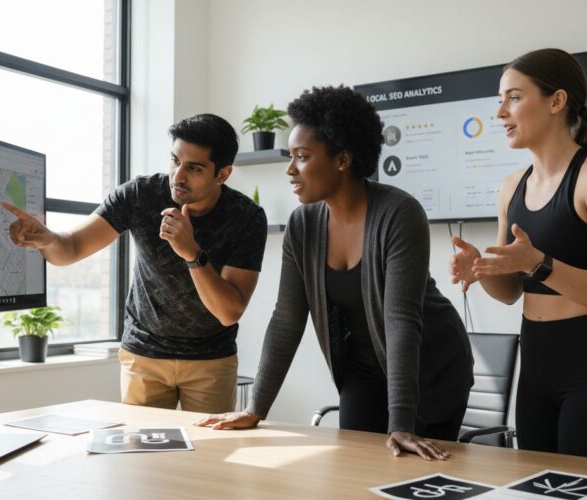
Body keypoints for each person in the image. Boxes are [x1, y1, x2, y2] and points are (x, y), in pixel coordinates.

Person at [196, 86, 473, 461]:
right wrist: (255, 409)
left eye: (303, 157)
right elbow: (287, 318)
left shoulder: (399, 213)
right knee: (355, 466)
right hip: (363, 367)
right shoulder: (303, 224)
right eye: (291, 157)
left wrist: (402, 423)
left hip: (429, 365)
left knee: (412, 472)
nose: (291, 170)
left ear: (342, 159)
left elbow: (401, 320)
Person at [449, 49, 587, 462]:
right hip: (536, 364)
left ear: (556, 101)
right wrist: (482, 269)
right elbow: (509, 293)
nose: (501, 112)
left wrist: (537, 263)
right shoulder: (511, 186)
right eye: (499, 100)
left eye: (514, 98)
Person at [4, 113, 268, 414]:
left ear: (222, 174)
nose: (178, 176)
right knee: (141, 458)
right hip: (143, 356)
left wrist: (191, 252)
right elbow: (73, 247)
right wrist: (47, 238)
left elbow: (228, 312)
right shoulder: (140, 195)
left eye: (194, 168)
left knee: (211, 457)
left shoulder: (246, 217)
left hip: (211, 360)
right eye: (175, 161)